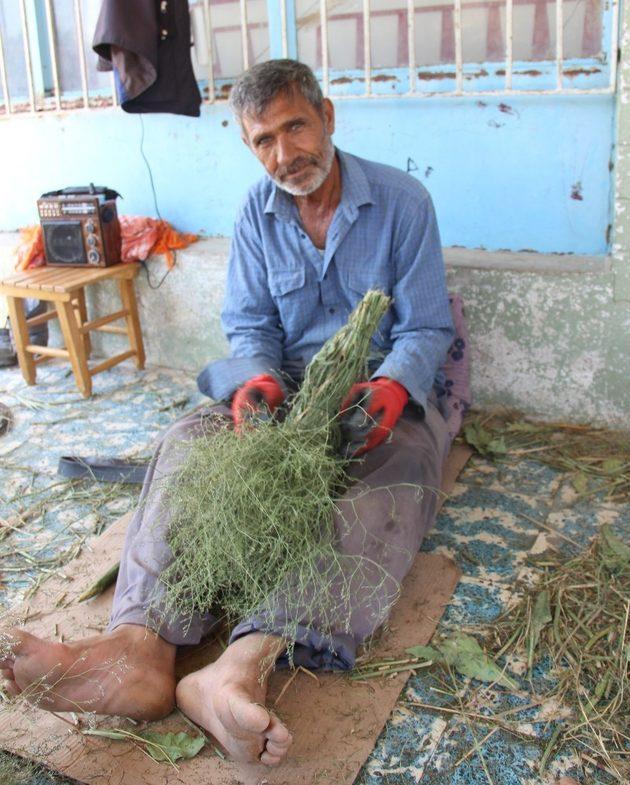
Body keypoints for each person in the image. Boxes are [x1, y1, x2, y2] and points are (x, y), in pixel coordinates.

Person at [0, 59, 454, 768]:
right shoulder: (255, 213)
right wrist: (257, 384)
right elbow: (247, 328)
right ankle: (140, 649)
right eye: (263, 140)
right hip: (290, 394)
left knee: (396, 480)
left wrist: (395, 383)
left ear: (327, 116)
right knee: (188, 441)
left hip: (374, 399)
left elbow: (426, 326)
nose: (284, 154)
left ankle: (241, 661)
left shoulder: (403, 202)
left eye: (295, 127)